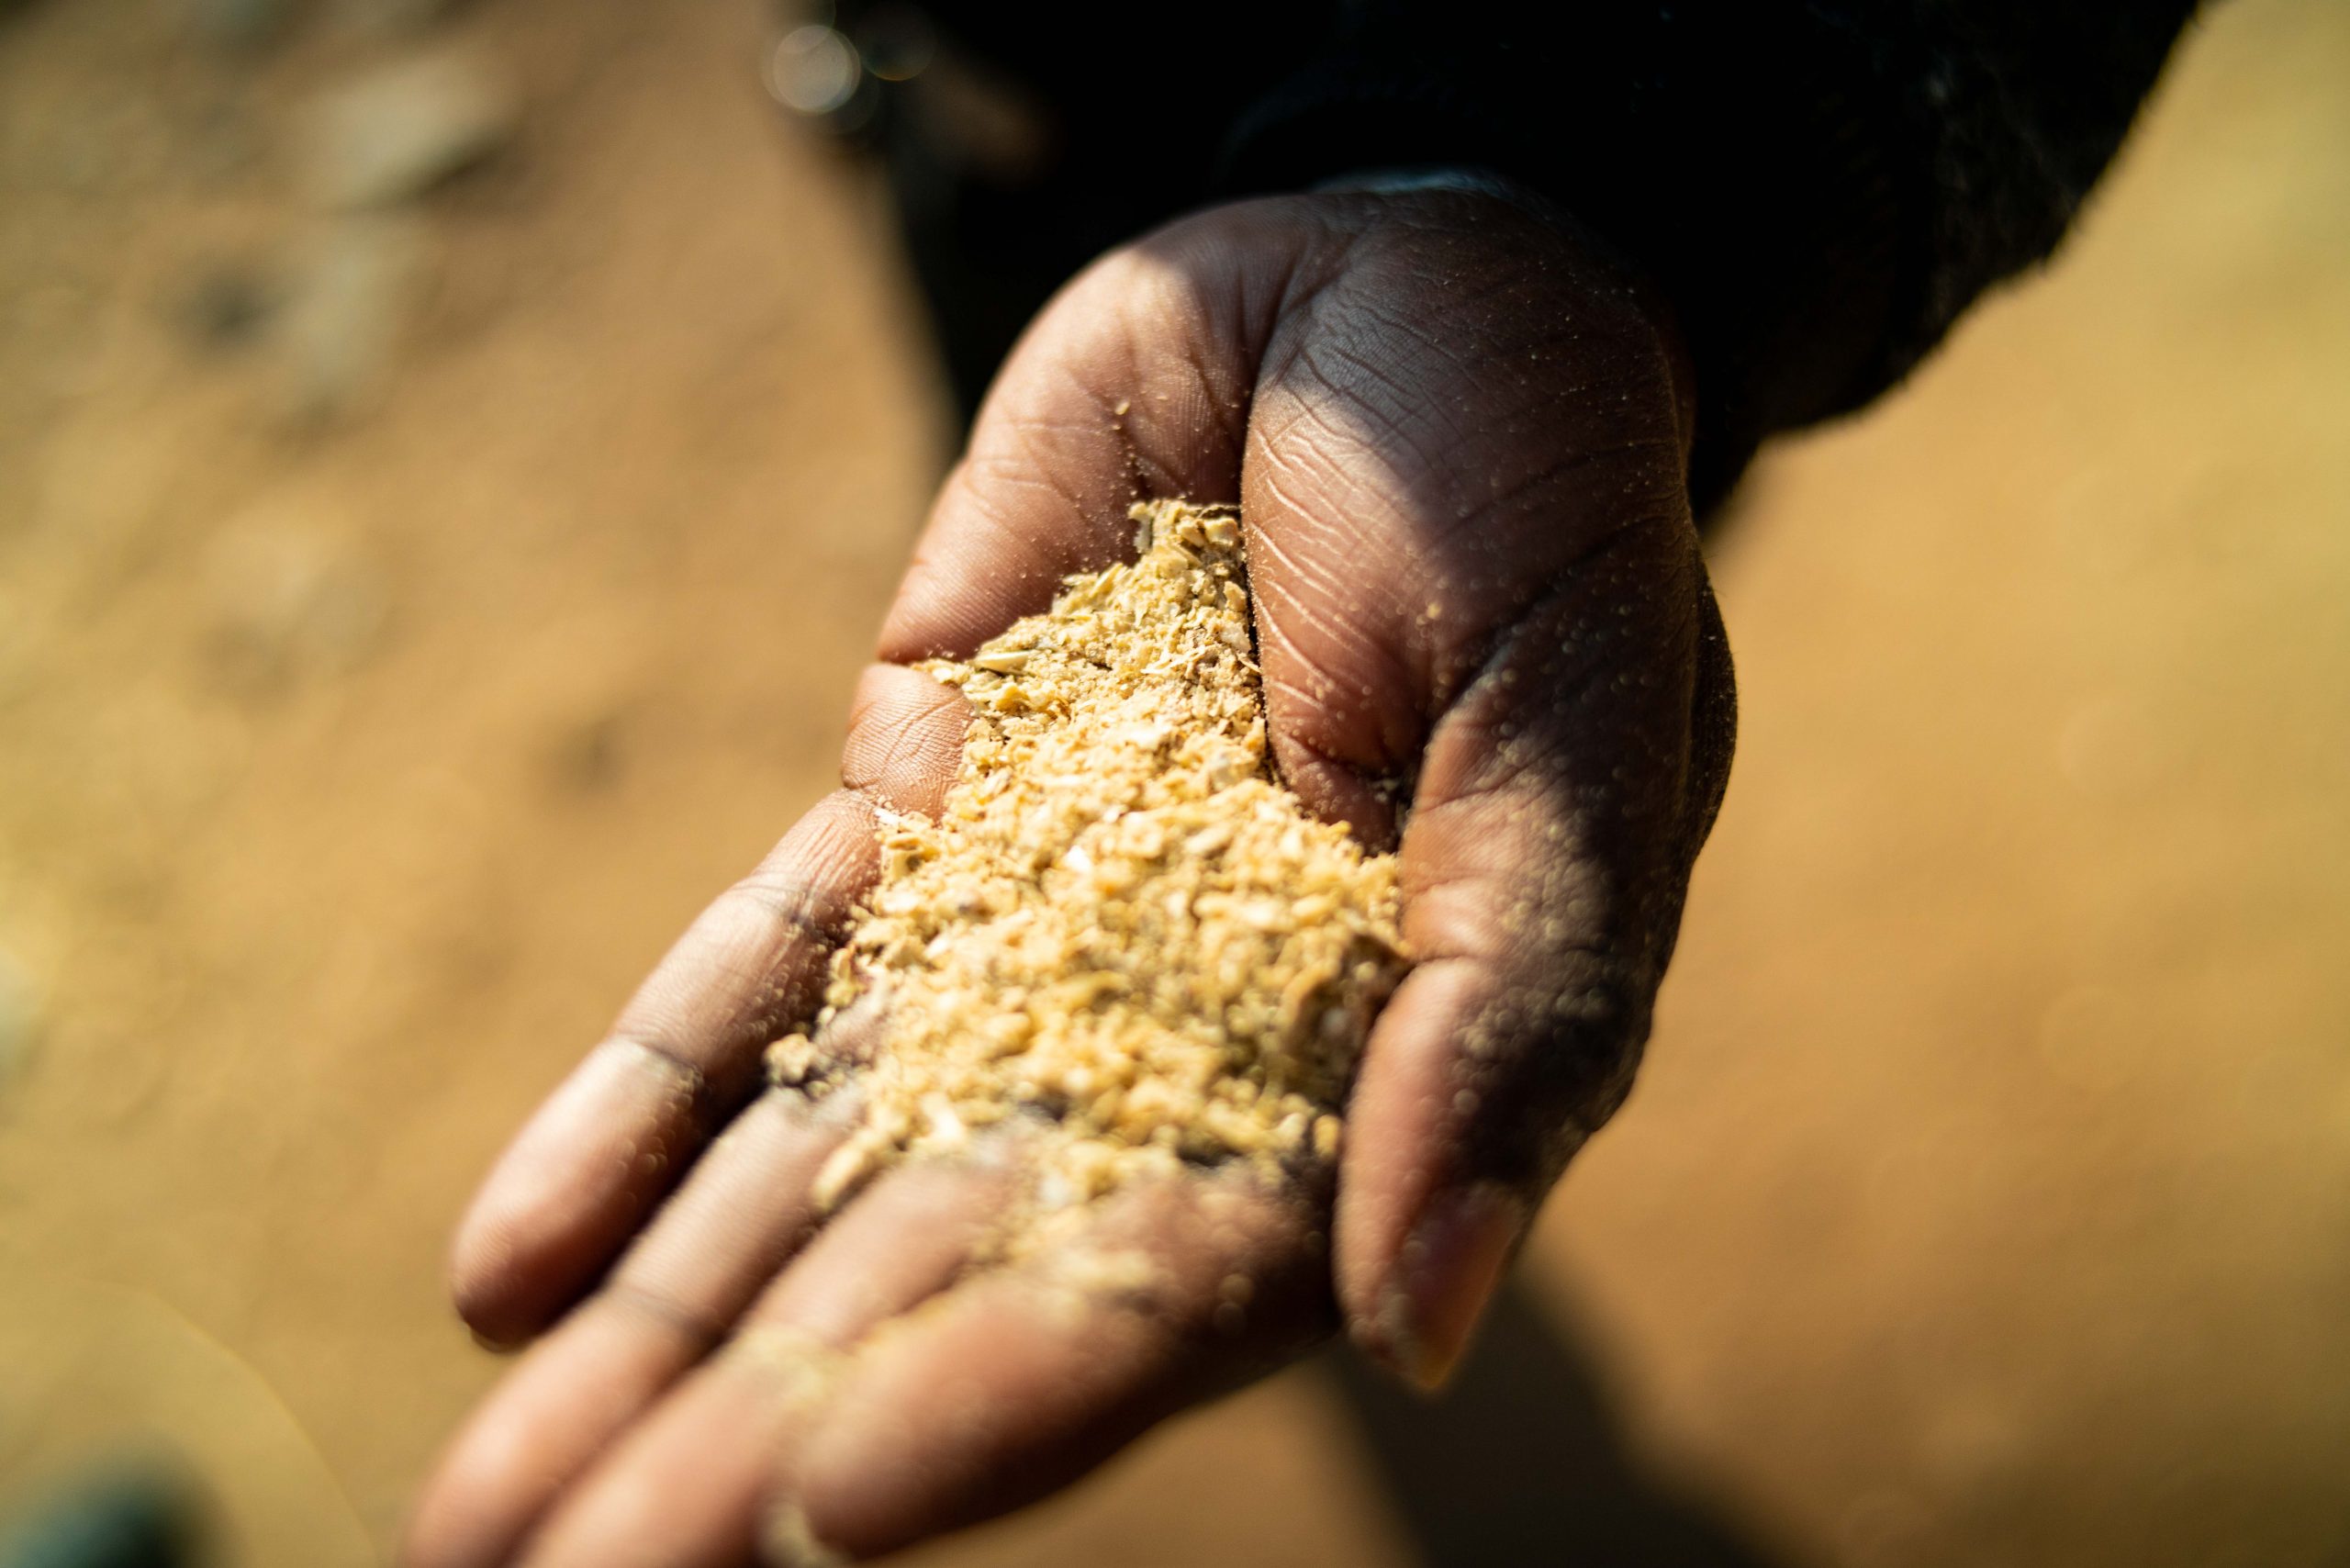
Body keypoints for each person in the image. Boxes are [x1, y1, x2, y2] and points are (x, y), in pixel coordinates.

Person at [405, 6, 2198, 1564]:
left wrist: (1558, 169)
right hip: (1015, 158)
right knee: (1008, 396)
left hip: (1481, 127)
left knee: (1519, 579)